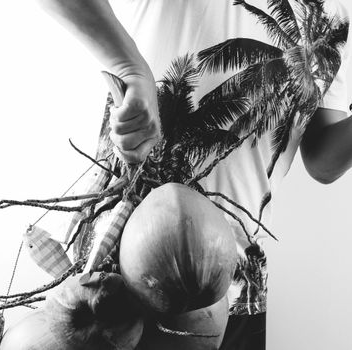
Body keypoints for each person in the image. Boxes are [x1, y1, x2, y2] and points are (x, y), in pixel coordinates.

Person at [39, 0, 351, 349]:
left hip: (237, 287)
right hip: (116, 275)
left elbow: (323, 161)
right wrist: (128, 67)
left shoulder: (337, 14)